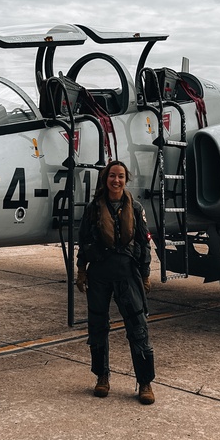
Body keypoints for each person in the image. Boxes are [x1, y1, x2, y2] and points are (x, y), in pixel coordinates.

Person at [76, 160, 155, 404]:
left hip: (127, 273)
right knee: (98, 329)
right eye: (112, 176)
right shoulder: (93, 208)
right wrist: (81, 270)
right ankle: (102, 377)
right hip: (100, 273)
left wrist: (145, 273)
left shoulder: (136, 207)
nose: (116, 180)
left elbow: (143, 242)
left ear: (126, 179)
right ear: (105, 179)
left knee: (138, 329)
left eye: (120, 176)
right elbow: (84, 240)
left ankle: (145, 383)